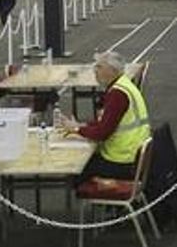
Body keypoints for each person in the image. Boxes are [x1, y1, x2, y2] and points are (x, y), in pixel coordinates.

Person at [59, 52, 151, 180]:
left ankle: (88, 193)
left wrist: (76, 129)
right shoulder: (124, 85)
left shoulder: (118, 94)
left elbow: (103, 133)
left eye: (99, 67)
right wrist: (81, 125)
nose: (95, 71)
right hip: (132, 155)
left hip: (122, 160)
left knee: (75, 169)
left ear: (112, 70)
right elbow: (106, 122)